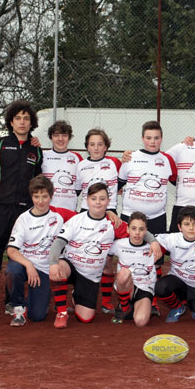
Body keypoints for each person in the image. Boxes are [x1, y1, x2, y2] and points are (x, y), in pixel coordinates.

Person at [47, 183, 151, 328]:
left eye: (102, 199)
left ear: (108, 201)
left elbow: (136, 229)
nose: (98, 202)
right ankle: (62, 313)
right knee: (58, 267)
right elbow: (58, 244)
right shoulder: (76, 219)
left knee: (85, 318)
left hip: (90, 277)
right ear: (87, 200)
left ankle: (78, 294)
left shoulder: (113, 223)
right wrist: (53, 263)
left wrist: (153, 242)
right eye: (94, 198)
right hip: (71, 267)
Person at [0, 100, 43, 319]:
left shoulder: (36, 149)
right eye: (18, 118)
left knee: (17, 258)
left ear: (31, 123)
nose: (22, 122)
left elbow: (37, 180)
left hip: (24, 212)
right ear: (11, 122)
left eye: (26, 118)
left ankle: (12, 302)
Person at [4, 175, 63, 326]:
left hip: (43, 269)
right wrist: (29, 265)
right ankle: (18, 308)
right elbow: (11, 250)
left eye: (44, 196)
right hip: (24, 265)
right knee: (12, 270)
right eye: (36, 197)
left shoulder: (57, 219)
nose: (40, 201)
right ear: (31, 197)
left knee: (37, 316)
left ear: (51, 196)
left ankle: (34, 301)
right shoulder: (23, 219)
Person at [75, 128, 122, 313]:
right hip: (86, 213)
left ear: (106, 147)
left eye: (100, 144)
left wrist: (110, 209)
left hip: (109, 213)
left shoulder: (114, 163)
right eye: (92, 144)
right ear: (87, 146)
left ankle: (106, 301)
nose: (96, 148)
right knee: (83, 257)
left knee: (107, 259)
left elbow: (124, 180)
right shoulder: (80, 165)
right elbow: (77, 191)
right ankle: (79, 296)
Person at [117, 120, 177, 233]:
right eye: (148, 138)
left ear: (161, 138)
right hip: (129, 216)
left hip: (157, 218)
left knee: (157, 245)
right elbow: (117, 185)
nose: (152, 141)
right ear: (142, 138)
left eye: (156, 138)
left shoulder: (167, 160)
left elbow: (180, 184)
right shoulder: (130, 157)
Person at [109, 212, 163, 327]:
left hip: (145, 288)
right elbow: (104, 254)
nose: (137, 233)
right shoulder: (118, 245)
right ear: (127, 229)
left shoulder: (154, 246)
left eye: (141, 229)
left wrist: (154, 242)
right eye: (133, 228)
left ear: (146, 231)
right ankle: (124, 307)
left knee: (140, 322)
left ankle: (137, 307)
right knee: (124, 273)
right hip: (128, 287)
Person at [42, 120, 82, 212]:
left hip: (70, 210)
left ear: (69, 138)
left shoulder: (77, 157)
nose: (60, 139)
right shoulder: (43, 156)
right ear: (51, 137)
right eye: (56, 135)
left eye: (64, 135)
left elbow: (80, 185)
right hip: (47, 211)